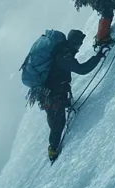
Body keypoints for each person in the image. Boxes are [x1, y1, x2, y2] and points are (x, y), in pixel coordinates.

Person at [41, 29, 106, 162]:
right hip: (53, 96)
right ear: (74, 42)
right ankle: (52, 148)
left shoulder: (63, 52)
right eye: (79, 43)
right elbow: (81, 69)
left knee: (58, 111)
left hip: (56, 93)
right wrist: (98, 57)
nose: (80, 46)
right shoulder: (65, 56)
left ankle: (67, 106)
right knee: (58, 123)